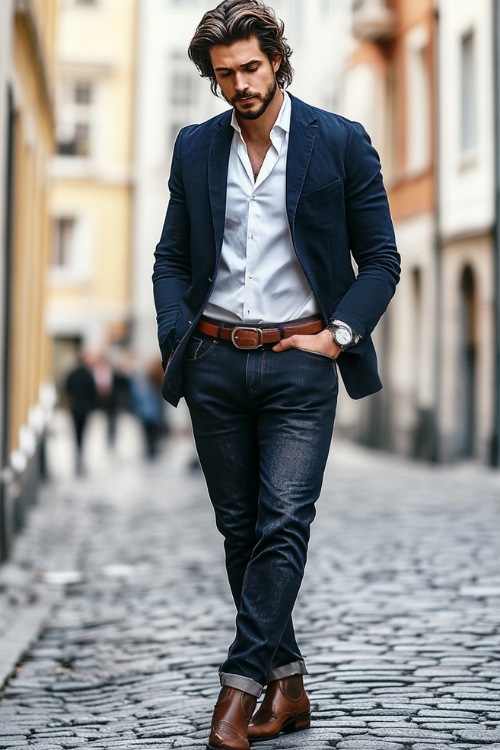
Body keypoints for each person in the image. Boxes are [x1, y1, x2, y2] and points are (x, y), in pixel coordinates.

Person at [152, 2, 401, 748]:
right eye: (224, 74)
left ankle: (237, 692)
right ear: (213, 78)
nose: (240, 85)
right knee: (240, 531)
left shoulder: (339, 142)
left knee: (284, 521)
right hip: (217, 361)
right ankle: (288, 688)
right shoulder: (195, 149)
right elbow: (170, 259)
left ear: (276, 60)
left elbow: (381, 261)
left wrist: (339, 335)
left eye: (251, 68)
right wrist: (182, 339)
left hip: (300, 363)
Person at [64, 352, 98, 475]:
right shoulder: (88, 374)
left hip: (75, 408)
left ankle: (78, 450)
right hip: (85, 408)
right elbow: (93, 391)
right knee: (83, 431)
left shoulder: (72, 374)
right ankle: (80, 450)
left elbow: (67, 390)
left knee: (76, 431)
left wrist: (70, 403)